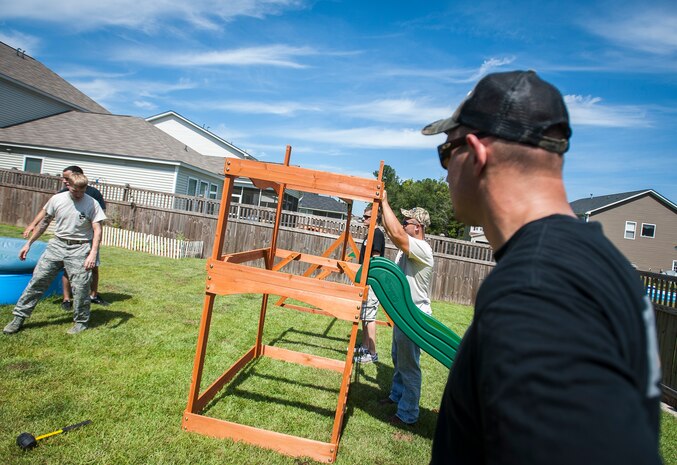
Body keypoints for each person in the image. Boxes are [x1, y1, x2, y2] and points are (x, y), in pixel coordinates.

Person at [423, 70, 662, 464]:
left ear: (476, 154)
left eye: (446, 153)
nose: (446, 173)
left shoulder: (536, 289)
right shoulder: (601, 260)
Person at [4, 172, 107, 335]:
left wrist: (93, 253)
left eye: (83, 191)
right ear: (69, 186)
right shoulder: (57, 200)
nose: (79, 194)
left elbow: (97, 230)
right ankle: (18, 317)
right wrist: (28, 244)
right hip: (57, 245)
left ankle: (81, 322)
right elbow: (44, 223)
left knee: (81, 287)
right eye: (75, 191)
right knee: (38, 281)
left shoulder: (92, 204)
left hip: (80, 248)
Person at [378, 196, 434, 426]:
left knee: (409, 365)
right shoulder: (406, 247)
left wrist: (384, 202)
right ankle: (397, 395)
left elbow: (398, 235)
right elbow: (394, 233)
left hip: (415, 316)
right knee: (397, 357)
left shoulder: (421, 248)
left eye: (406, 221)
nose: (402, 225)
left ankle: (408, 414)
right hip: (404, 314)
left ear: (417, 227)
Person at [23, 165, 108, 308]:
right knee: (65, 270)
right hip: (61, 243)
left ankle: (92, 295)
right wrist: (32, 226)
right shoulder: (61, 195)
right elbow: (46, 215)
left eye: (67, 178)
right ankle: (67, 299)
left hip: (86, 241)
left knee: (92, 268)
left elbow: (98, 221)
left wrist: (93, 248)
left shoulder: (93, 196)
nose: (64, 181)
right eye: (65, 179)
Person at [354, 206, 386, 364]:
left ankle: (372, 353)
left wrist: (367, 279)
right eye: (364, 216)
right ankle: (365, 346)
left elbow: (375, 259)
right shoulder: (370, 233)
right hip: (366, 280)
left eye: (367, 217)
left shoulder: (377, 234)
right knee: (364, 315)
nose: (363, 219)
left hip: (372, 281)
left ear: (375, 218)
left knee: (370, 317)